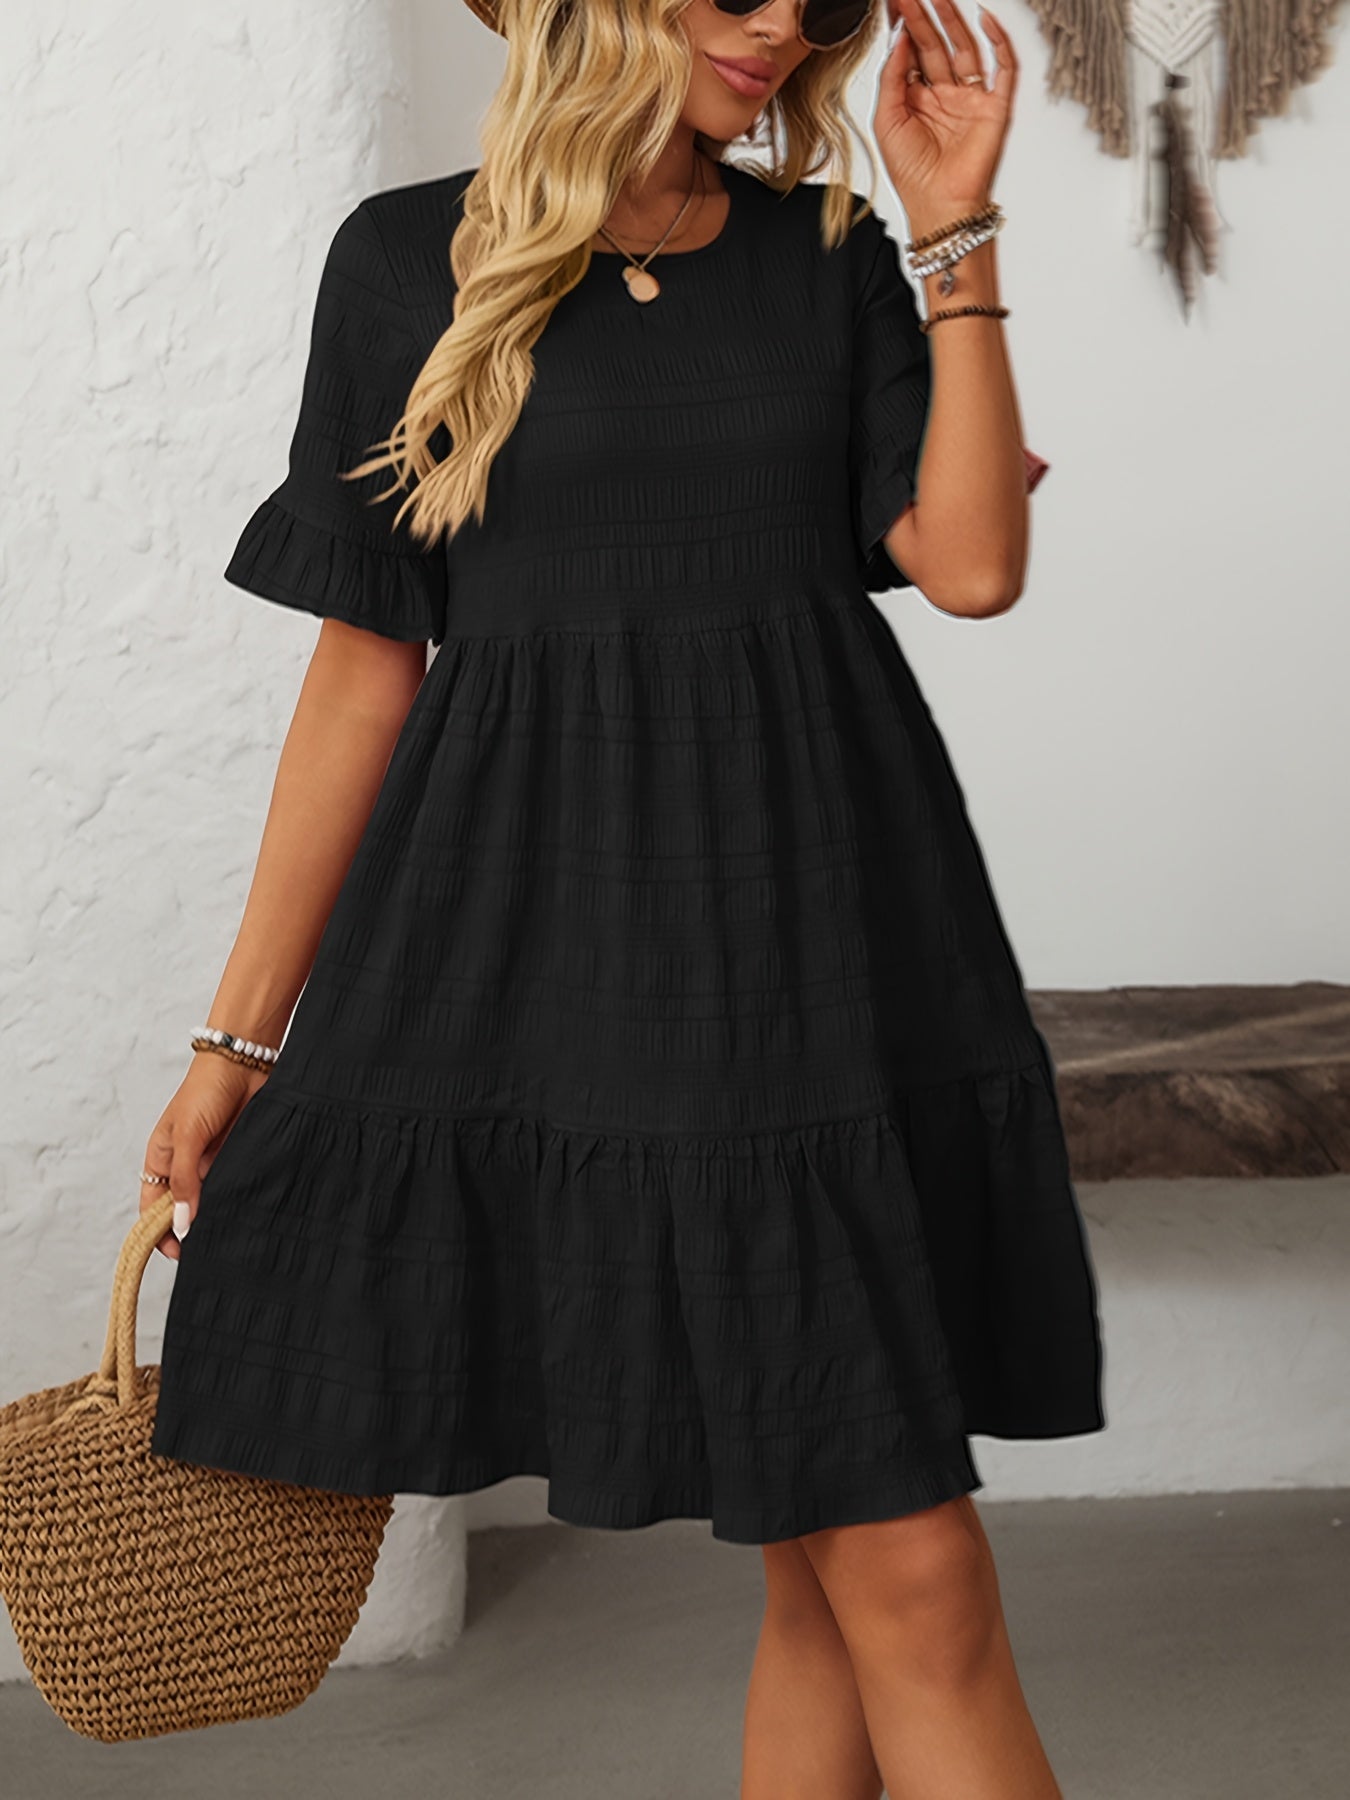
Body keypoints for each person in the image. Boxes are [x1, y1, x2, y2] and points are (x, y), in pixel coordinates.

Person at [140, 0, 1105, 1792]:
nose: (779, 27)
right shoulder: (406, 261)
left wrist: (953, 226)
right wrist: (235, 1041)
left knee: (849, 1572)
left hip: (835, 945)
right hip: (567, 953)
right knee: (878, 1561)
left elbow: (972, 563)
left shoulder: (827, 251)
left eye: (813, 4)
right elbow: (364, 672)